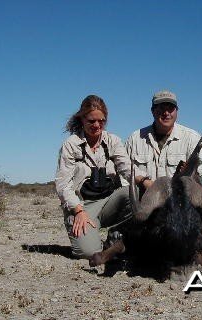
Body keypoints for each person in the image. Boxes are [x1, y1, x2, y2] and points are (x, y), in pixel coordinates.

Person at [55, 95, 132, 259]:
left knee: (134, 192)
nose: (97, 125)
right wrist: (78, 211)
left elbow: (127, 169)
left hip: (108, 201)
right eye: (91, 121)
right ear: (82, 118)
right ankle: (97, 240)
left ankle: (116, 234)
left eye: (101, 121)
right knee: (89, 252)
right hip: (83, 206)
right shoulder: (71, 144)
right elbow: (63, 185)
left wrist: (146, 182)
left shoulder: (113, 141)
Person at [125, 90, 202, 190]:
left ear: (176, 111)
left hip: (180, 196)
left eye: (170, 108)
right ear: (152, 111)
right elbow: (124, 170)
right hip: (145, 196)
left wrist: (192, 173)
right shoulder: (135, 138)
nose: (166, 113)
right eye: (161, 108)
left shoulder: (192, 137)